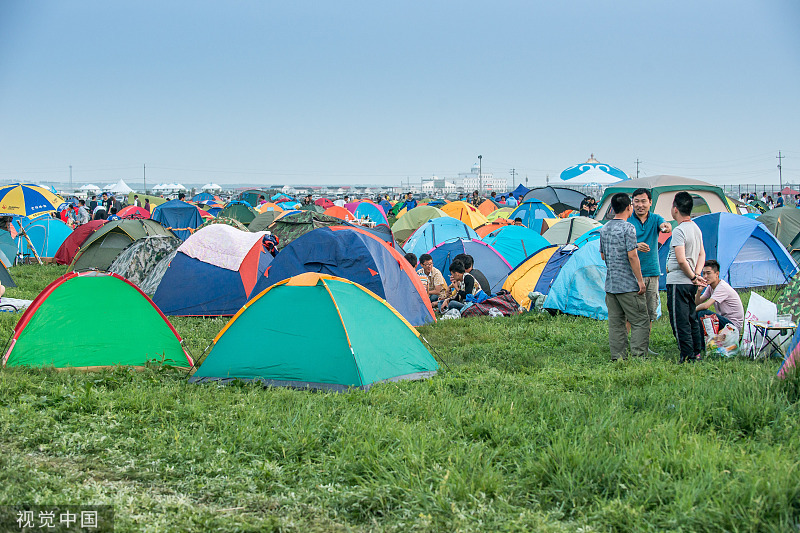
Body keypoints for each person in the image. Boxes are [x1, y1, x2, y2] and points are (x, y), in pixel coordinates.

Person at [599, 193, 648, 361]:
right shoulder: (628, 228)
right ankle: (638, 355)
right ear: (629, 207)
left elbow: (603, 256)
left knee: (616, 323)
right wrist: (640, 281)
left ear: (612, 208)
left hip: (611, 285)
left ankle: (618, 357)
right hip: (628, 285)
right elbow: (632, 256)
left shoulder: (604, 228)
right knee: (640, 320)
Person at [628, 188, 672, 353]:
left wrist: (666, 227)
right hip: (631, 273)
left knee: (649, 312)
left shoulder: (655, 219)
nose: (640, 205)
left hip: (652, 271)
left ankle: (644, 346)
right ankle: (627, 345)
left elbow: (664, 224)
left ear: (650, 202)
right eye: (637, 201)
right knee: (630, 311)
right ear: (632, 202)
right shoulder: (628, 220)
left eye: (643, 201)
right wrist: (636, 245)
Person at [665, 191, 707, 363]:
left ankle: (687, 355)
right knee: (691, 318)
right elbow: (702, 254)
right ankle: (696, 352)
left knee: (679, 320)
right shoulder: (696, 228)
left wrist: (692, 276)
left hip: (678, 282)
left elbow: (681, 260)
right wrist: (696, 275)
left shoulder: (679, 230)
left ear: (675, 209)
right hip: (690, 282)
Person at [695, 259, 744, 334]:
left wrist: (692, 311)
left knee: (702, 314)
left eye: (708, 273)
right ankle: (698, 341)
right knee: (699, 313)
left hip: (733, 326)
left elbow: (706, 305)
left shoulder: (722, 287)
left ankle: (701, 345)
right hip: (725, 321)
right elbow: (698, 303)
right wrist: (699, 291)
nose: (705, 276)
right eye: (703, 273)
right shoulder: (711, 287)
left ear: (717, 274)